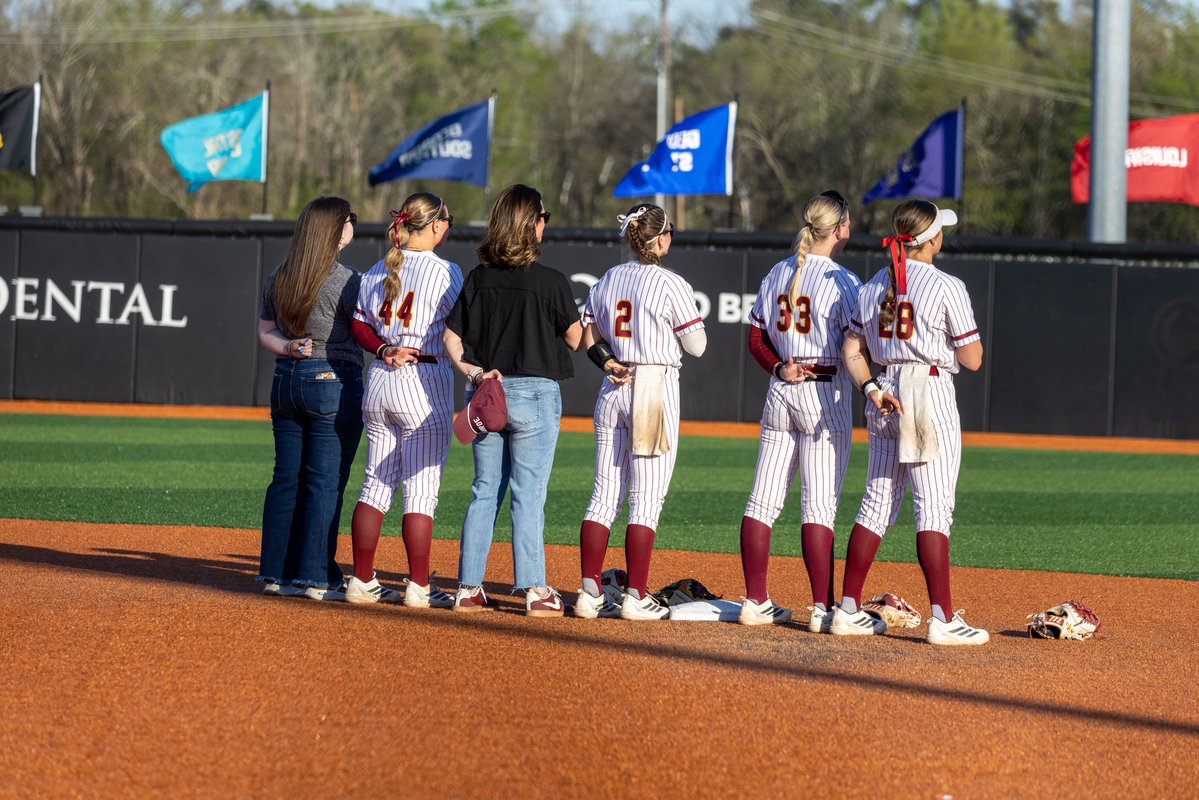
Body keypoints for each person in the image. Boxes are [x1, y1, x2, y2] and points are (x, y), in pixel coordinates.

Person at [834, 199, 988, 645]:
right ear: (932, 239)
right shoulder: (946, 285)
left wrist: (871, 389)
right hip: (927, 392)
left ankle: (847, 608)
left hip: (884, 391)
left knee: (876, 504)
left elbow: (852, 351)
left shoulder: (872, 286)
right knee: (934, 509)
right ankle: (943, 619)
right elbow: (973, 360)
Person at [443, 184, 583, 617]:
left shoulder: (478, 279)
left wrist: (473, 371)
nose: (545, 224)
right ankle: (534, 589)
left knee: (485, 491)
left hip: (487, 390)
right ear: (531, 224)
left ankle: (468, 587)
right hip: (535, 396)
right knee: (528, 494)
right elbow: (576, 340)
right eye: (542, 217)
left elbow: (452, 337)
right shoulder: (553, 281)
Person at [575, 203, 707, 621]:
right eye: (669, 231)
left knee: (602, 497)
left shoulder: (609, 277)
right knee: (645, 501)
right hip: (653, 386)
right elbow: (697, 345)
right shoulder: (671, 282)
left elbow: (587, 335)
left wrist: (607, 360)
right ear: (660, 238)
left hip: (613, 383)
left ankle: (590, 592)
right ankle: (635, 595)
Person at [737, 191, 861, 630]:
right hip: (824, 393)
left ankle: (755, 601)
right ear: (841, 228)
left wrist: (777, 367)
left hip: (781, 389)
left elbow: (755, 339)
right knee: (819, 508)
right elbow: (858, 350)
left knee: (762, 501)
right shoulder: (844, 282)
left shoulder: (778, 272)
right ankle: (822, 609)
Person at [344, 192, 463, 607]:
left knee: (375, 485)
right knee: (421, 491)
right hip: (423, 380)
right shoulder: (447, 272)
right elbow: (462, 333)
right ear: (433, 225)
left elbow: (360, 328)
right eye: (447, 219)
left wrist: (382, 350)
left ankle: (361, 579)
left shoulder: (379, 268)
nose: (449, 226)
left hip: (380, 377)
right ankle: (419, 586)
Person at [257, 196, 364, 600]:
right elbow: (371, 330)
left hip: (286, 379)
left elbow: (265, 332)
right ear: (336, 229)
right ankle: (316, 576)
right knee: (324, 484)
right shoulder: (347, 279)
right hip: (331, 380)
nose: (353, 224)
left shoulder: (280, 276)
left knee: (286, 479)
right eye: (349, 219)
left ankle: (275, 573)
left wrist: (288, 349)